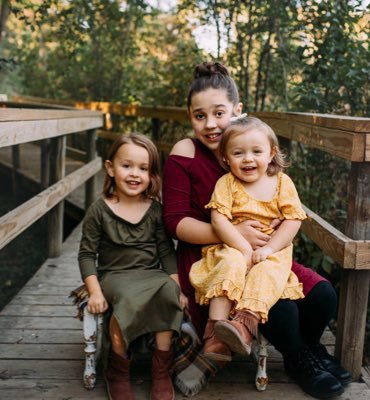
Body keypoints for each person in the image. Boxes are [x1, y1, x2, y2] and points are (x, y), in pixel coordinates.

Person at [162, 61, 351, 399]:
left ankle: (309, 350)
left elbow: (287, 209)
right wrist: (236, 234)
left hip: (267, 251)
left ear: (237, 110)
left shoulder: (257, 154)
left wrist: (269, 235)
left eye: (219, 113)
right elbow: (175, 223)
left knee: (323, 294)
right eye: (199, 116)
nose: (210, 124)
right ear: (189, 116)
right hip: (217, 254)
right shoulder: (186, 153)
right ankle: (298, 359)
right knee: (281, 307)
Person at [78, 134, 187, 400]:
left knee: (168, 294)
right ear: (110, 168)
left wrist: (176, 284)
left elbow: (165, 250)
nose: (135, 174)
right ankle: (118, 369)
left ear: (151, 175)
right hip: (115, 276)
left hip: (151, 273)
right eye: (127, 166)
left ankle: (161, 370)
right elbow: (87, 254)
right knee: (126, 299)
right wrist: (94, 292)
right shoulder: (99, 210)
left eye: (143, 168)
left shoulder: (154, 209)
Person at [189, 115, 307, 360]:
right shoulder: (227, 183)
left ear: (271, 152)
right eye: (238, 153)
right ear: (226, 157)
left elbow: (293, 219)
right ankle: (215, 334)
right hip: (232, 244)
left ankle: (244, 327)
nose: (248, 158)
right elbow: (219, 218)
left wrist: (270, 248)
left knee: (266, 271)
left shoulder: (282, 182)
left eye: (256, 151)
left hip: (272, 249)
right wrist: (243, 248)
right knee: (229, 264)